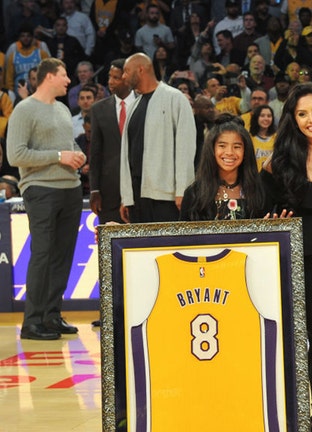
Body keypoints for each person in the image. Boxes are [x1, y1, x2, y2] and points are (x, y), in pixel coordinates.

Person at [261, 83, 312, 432]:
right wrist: (268, 220)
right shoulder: (278, 164)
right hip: (301, 262)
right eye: (302, 114)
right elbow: (264, 214)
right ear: (293, 120)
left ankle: (309, 415)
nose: (311, 119)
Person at [7, 57, 86, 340]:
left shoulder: (64, 109)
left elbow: (69, 145)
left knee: (63, 255)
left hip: (71, 189)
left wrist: (77, 155)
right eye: (64, 75)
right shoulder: (24, 110)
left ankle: (52, 316)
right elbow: (15, 155)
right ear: (49, 76)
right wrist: (58, 157)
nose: (69, 80)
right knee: (42, 253)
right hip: (41, 189)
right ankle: (32, 322)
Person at [119, 53, 196, 223]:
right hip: (137, 196)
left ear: (140, 70)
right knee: (142, 249)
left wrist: (183, 190)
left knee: (167, 249)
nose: (123, 77)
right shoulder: (134, 105)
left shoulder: (175, 98)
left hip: (166, 195)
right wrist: (126, 197)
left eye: (126, 71)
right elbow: (127, 156)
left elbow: (185, 147)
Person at [180, 114, 267, 221]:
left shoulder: (258, 191)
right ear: (211, 149)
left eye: (237, 147)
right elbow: (183, 236)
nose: (229, 152)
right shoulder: (194, 194)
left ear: (245, 151)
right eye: (222, 146)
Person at [90, 58, 135, 225]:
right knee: (109, 246)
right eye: (109, 77)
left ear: (127, 78)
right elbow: (95, 153)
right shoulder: (98, 109)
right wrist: (94, 189)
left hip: (139, 189)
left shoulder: (144, 104)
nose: (110, 82)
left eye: (116, 78)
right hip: (108, 192)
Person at [247, 104, 276, 170]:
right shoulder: (249, 138)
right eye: (262, 116)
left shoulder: (277, 138)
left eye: (269, 116)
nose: (266, 119)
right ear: (256, 118)